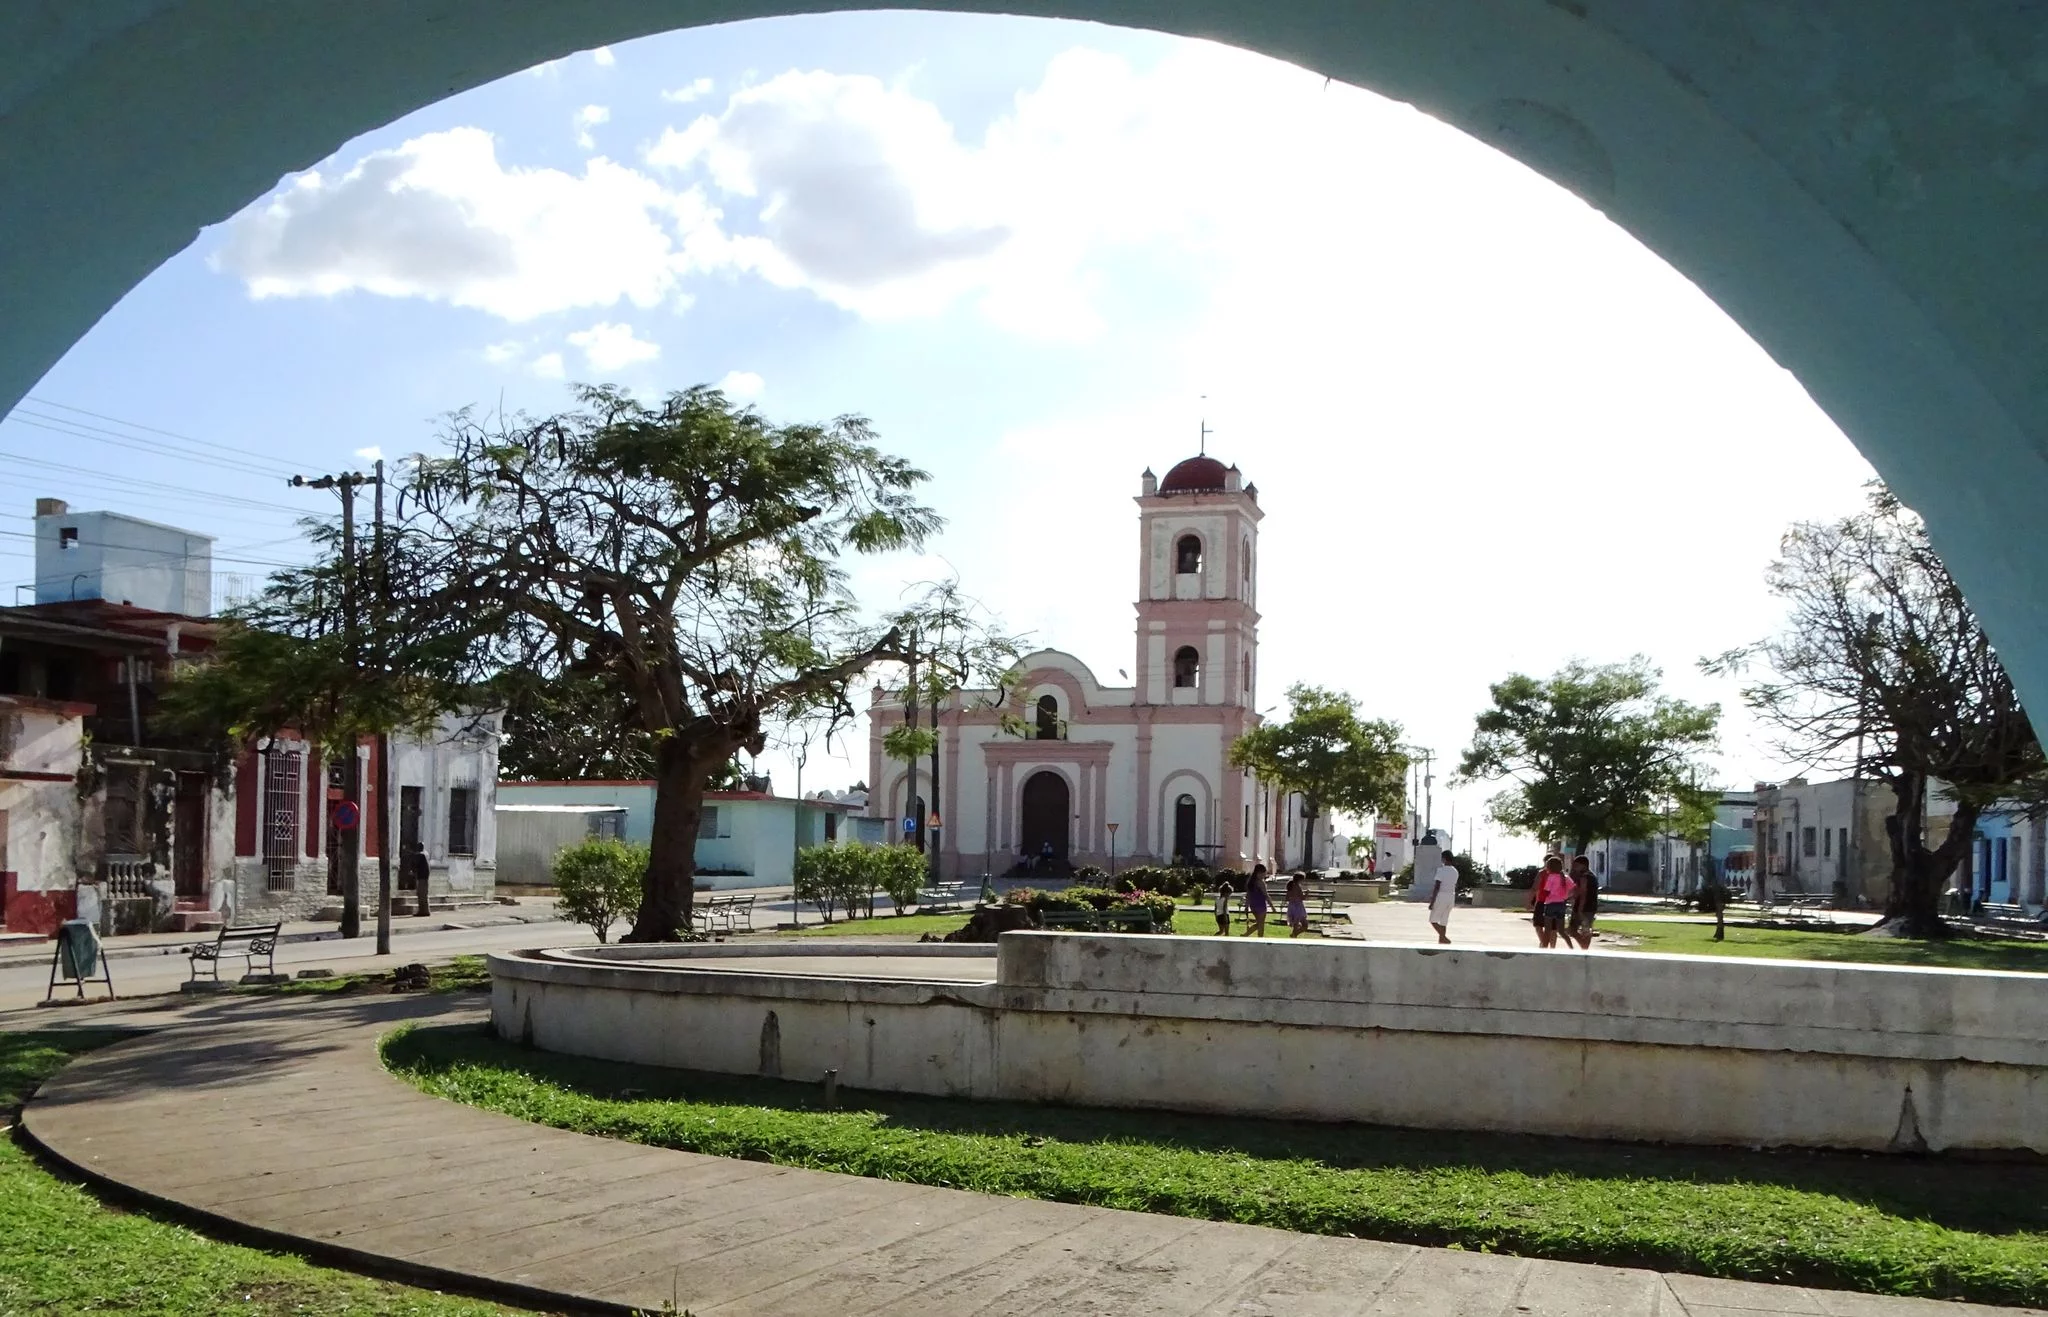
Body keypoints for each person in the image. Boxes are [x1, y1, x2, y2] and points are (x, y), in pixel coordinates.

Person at [1525, 854, 1575, 948]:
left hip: (1544, 902)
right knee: (1554, 928)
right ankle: (1553, 947)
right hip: (1560, 903)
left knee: (1539, 925)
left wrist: (1529, 902)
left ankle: (1543, 943)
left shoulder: (1543, 874)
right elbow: (1573, 889)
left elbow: (1536, 888)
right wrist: (1566, 896)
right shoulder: (1563, 876)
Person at [1566, 853, 1599, 949]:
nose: (1575, 868)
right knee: (1584, 929)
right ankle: (1584, 947)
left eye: (1576, 865)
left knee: (1574, 930)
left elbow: (1583, 893)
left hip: (1583, 907)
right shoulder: (1592, 877)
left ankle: (1584, 947)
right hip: (1591, 907)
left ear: (1583, 865)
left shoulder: (1584, 877)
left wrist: (1580, 909)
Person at [1426, 853, 1459, 944]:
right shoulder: (1455, 871)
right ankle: (1441, 939)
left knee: (1433, 920)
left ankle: (1444, 937)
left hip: (1441, 896)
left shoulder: (1441, 870)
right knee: (1444, 920)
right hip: (1451, 896)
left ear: (1444, 859)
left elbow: (1437, 886)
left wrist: (1432, 901)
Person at [402, 840, 431, 918]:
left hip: (421, 877)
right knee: (424, 894)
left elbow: (415, 863)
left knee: (421, 895)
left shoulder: (421, 855)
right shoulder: (426, 854)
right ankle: (426, 910)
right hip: (425, 877)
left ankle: (423, 911)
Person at [1244, 864, 1270, 937]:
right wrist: (1272, 906)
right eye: (1264, 873)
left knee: (1259, 923)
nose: (1264, 875)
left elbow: (1248, 895)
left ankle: (1246, 934)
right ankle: (1258, 937)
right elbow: (1266, 894)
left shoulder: (1251, 882)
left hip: (1253, 905)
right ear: (1259, 873)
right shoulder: (1260, 882)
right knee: (1261, 924)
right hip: (1261, 905)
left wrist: (1246, 906)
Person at [1285, 872, 1310, 937]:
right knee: (1304, 925)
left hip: (1292, 906)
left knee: (1296, 924)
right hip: (1298, 907)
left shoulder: (1290, 886)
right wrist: (1307, 893)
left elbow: (1287, 898)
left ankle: (1294, 935)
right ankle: (1294, 934)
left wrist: (1293, 898)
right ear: (1300, 879)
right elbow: (1302, 898)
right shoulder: (1298, 887)